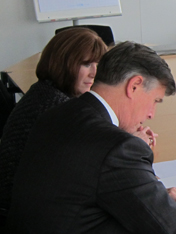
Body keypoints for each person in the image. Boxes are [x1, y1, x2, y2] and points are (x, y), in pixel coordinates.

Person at [5, 41, 176, 233]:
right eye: (155, 101)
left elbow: (89, 180)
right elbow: (174, 227)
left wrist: (150, 197)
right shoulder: (116, 147)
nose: (151, 114)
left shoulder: (61, 111)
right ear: (134, 85)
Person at [0, 27, 107, 211]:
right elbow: (102, 161)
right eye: (86, 64)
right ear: (63, 63)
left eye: (98, 64)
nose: (94, 73)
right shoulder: (57, 107)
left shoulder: (44, 91)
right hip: (24, 212)